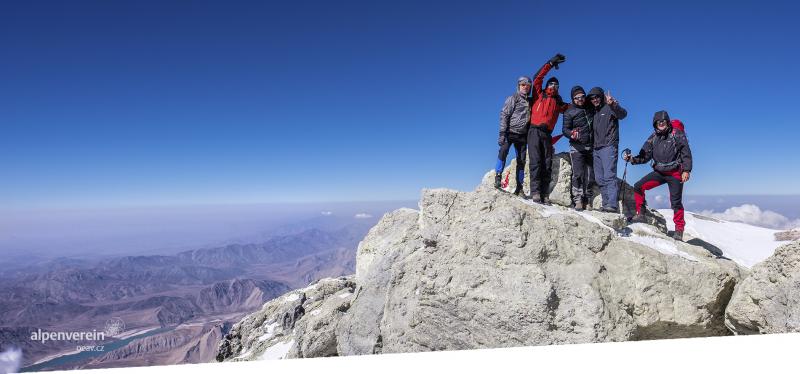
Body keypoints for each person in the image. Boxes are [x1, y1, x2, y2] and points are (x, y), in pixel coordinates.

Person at [624, 111, 693, 241]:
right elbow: (645, 156)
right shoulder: (653, 137)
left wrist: (687, 170)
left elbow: (686, 152)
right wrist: (632, 159)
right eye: (658, 122)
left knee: (676, 202)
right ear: (655, 124)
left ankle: (679, 229)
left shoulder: (677, 134)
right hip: (660, 172)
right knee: (638, 186)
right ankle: (641, 214)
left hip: (675, 173)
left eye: (663, 121)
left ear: (667, 122)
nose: (661, 123)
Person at [527, 53, 567, 203]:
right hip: (534, 131)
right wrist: (550, 63)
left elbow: (573, 108)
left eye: (556, 85)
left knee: (547, 163)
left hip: (547, 135)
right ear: (547, 85)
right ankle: (535, 192)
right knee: (536, 161)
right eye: (551, 84)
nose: (554, 86)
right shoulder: (539, 93)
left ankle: (545, 194)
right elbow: (537, 77)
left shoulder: (559, 103)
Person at [588, 87, 627, 212]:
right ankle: (605, 204)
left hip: (609, 146)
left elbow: (623, 114)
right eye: (592, 98)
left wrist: (614, 105)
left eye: (597, 97)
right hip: (596, 149)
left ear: (601, 97)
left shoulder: (609, 108)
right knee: (599, 178)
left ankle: (612, 204)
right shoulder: (594, 112)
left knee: (609, 175)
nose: (595, 100)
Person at [495, 76, 533, 195]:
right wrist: (502, 133)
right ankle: (498, 176)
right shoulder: (513, 98)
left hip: (522, 135)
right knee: (503, 151)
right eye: (523, 85)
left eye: (528, 85)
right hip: (510, 132)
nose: (525, 87)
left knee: (521, 160)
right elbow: (504, 114)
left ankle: (519, 187)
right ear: (518, 86)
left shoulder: (530, 101)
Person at [561, 86, 595, 210]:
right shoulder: (569, 111)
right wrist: (571, 134)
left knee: (591, 174)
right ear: (573, 99)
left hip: (591, 146)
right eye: (577, 98)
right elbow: (564, 129)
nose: (580, 99)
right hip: (577, 146)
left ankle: (588, 199)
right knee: (578, 174)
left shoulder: (590, 107)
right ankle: (578, 199)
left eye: (582, 96)